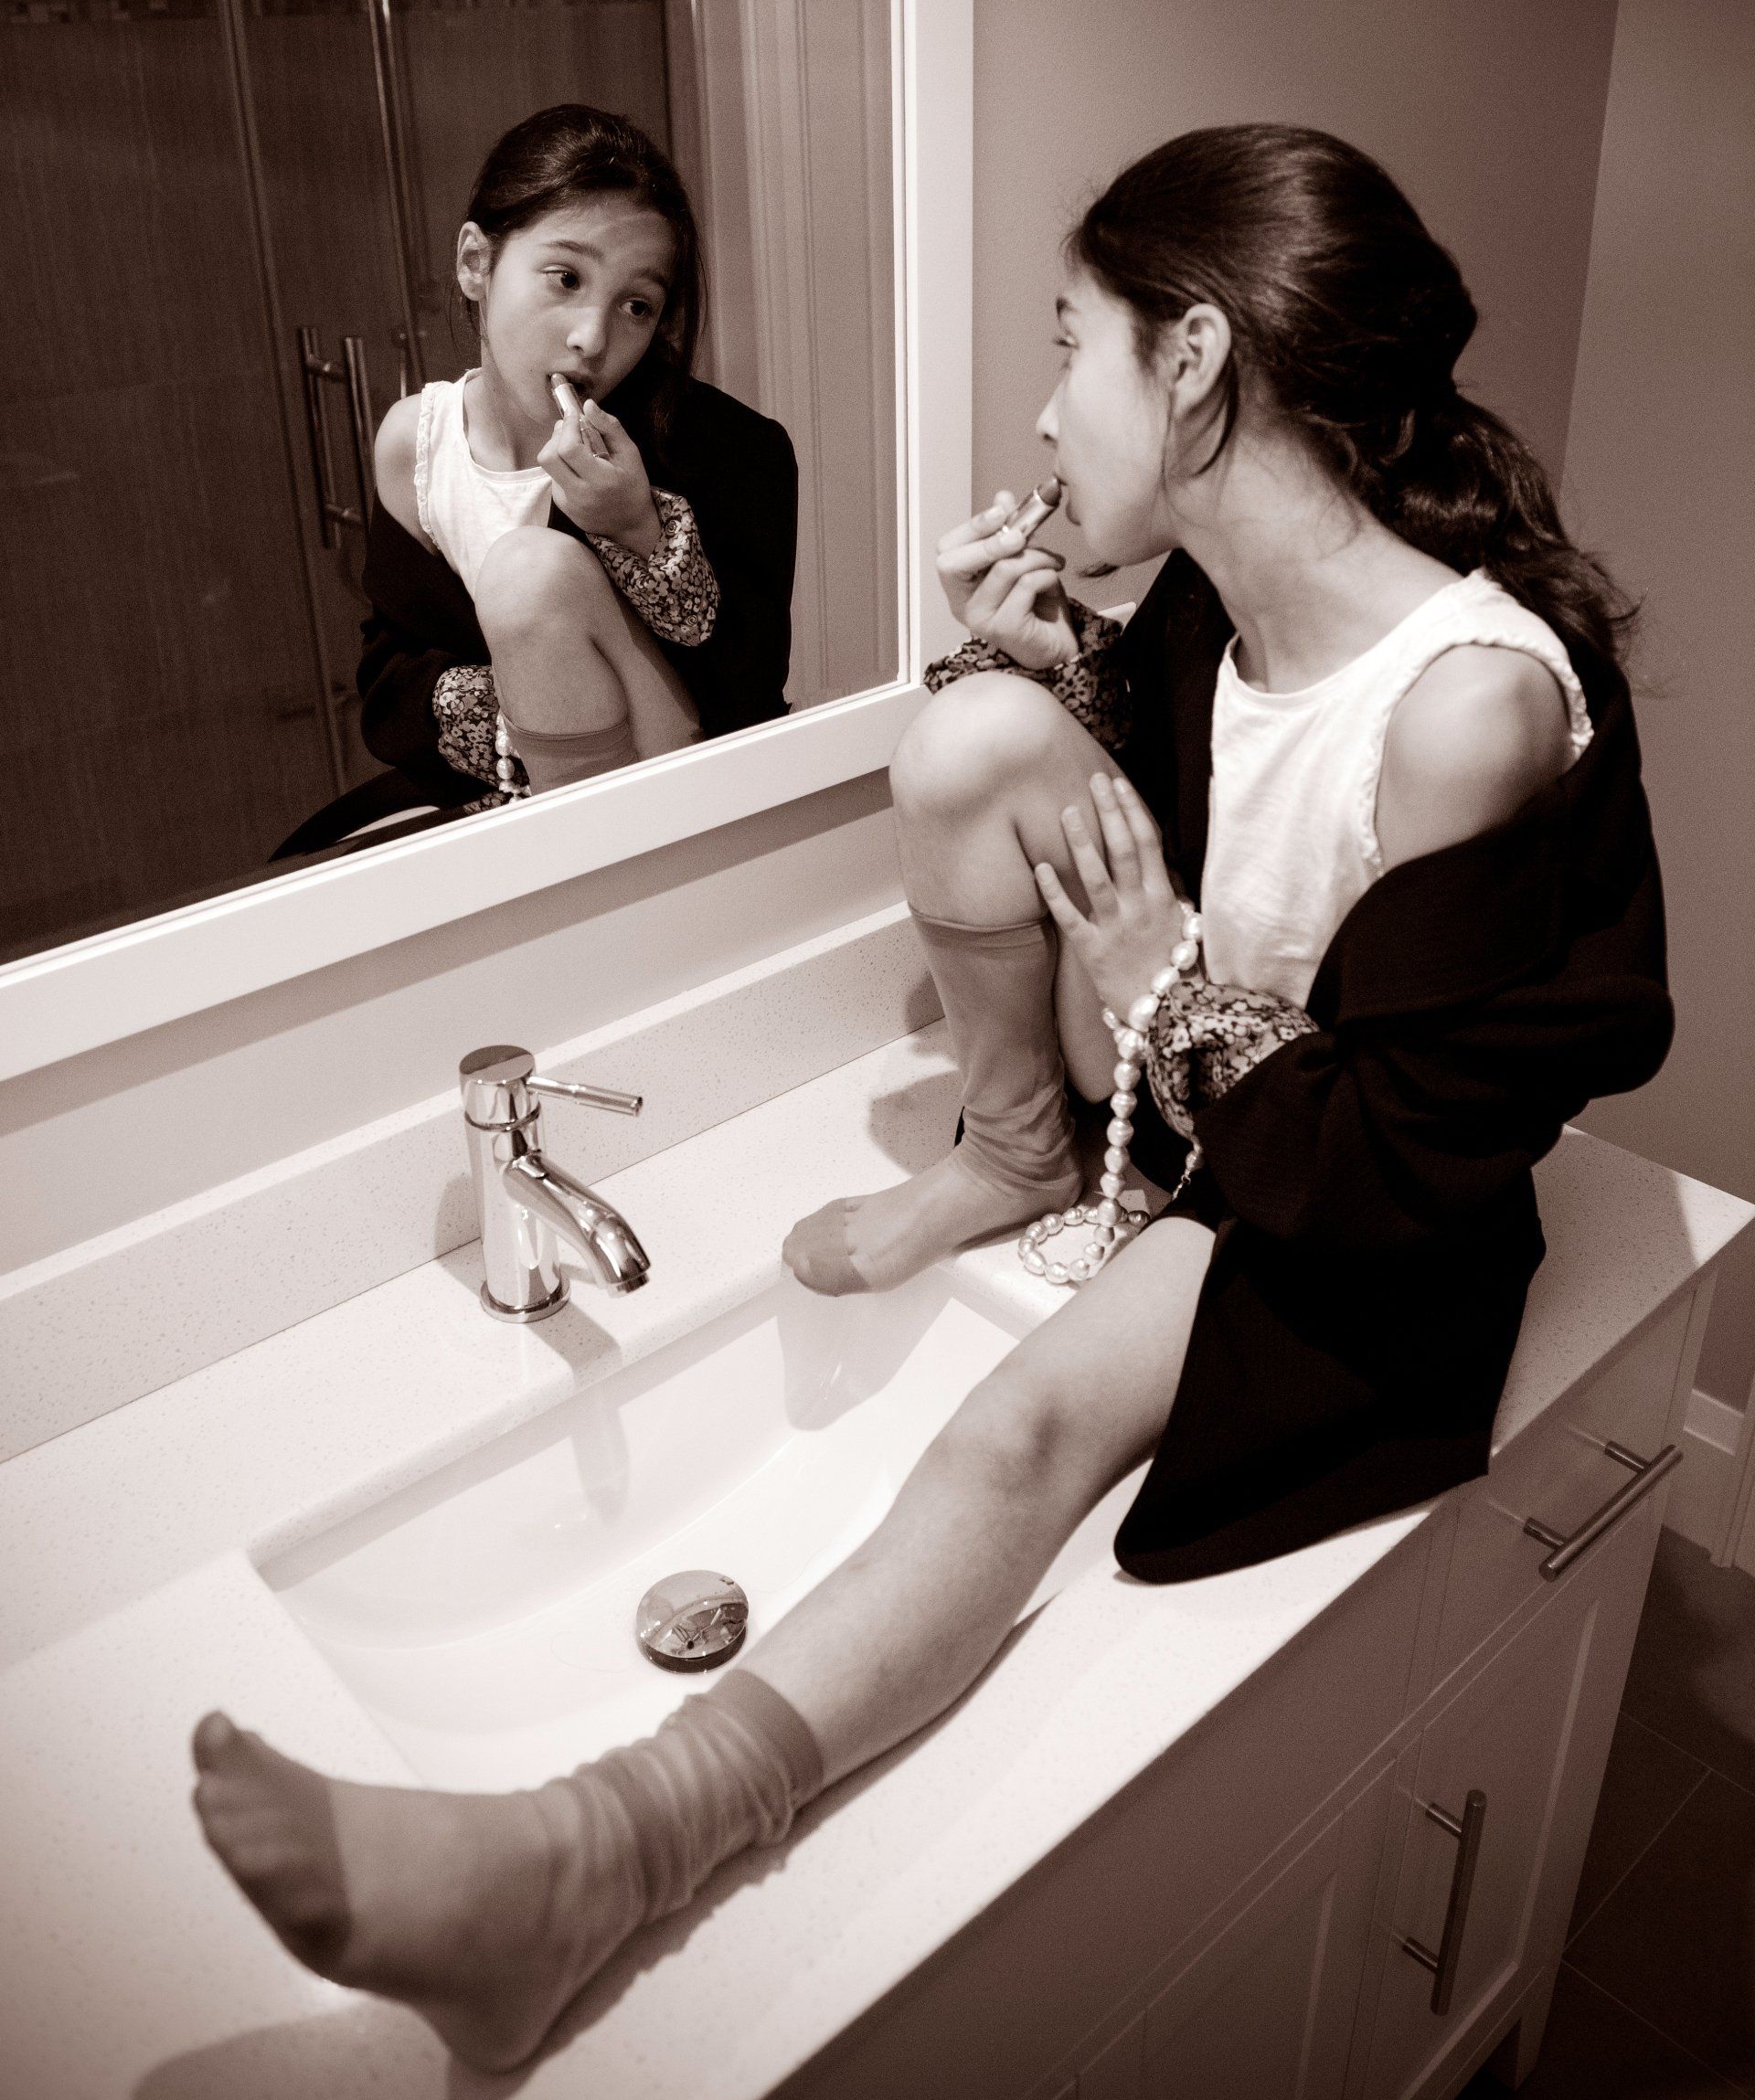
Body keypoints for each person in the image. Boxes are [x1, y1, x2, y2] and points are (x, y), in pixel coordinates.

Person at [191, 125, 1671, 2073]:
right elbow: (1037, 787)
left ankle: (588, 1868)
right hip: (1189, 1101)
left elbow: (1400, 1143)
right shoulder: (1216, 612)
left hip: (1357, 1191)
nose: (1048, 410)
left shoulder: (1468, 699)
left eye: (1073, 346)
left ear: (1198, 361)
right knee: (975, 726)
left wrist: (1171, 995)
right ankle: (1009, 1159)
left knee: (1011, 1433)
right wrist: (1011, 660)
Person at [356, 104, 797, 802]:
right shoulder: (415, 444)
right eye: (566, 278)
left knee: (528, 572)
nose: (593, 337)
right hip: (491, 799)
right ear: (477, 262)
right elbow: (389, 690)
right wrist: (524, 723)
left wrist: (641, 535)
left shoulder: (728, 448)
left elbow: (748, 698)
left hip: (686, 802)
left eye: (637, 306)